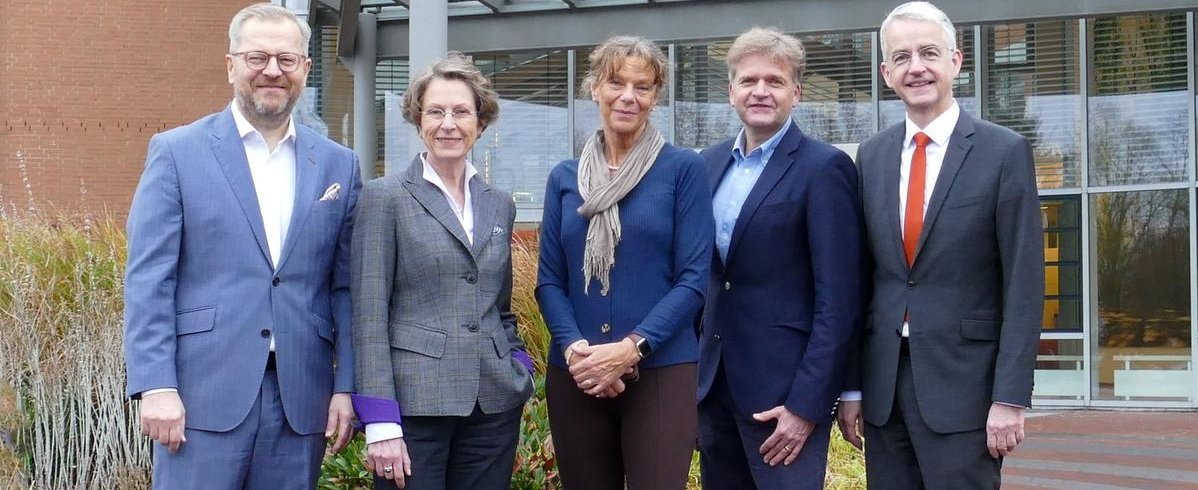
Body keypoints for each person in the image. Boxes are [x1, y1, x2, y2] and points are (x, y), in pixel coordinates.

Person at [123, 3, 359, 488]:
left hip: (300, 400)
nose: (272, 71)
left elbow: (346, 290)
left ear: (305, 70)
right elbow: (149, 280)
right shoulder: (176, 152)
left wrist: (346, 385)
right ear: (231, 64)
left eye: (286, 60)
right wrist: (155, 384)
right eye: (257, 58)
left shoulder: (340, 165)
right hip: (199, 396)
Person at [836, 2, 1044, 488]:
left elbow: (1024, 282)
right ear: (887, 73)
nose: (917, 67)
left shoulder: (1004, 152)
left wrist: (1011, 397)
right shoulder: (872, 156)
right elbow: (859, 281)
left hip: (967, 391)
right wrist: (851, 388)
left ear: (956, 60)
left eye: (929, 52)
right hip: (884, 392)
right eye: (902, 57)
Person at [536, 35, 714, 490]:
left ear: (656, 97)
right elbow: (550, 282)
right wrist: (579, 353)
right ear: (594, 87)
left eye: (643, 86)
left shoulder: (683, 170)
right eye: (616, 82)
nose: (628, 97)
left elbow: (693, 280)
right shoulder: (564, 178)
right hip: (576, 374)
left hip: (661, 372)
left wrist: (630, 349)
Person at [350, 53, 534, 490]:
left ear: (480, 122)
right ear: (418, 120)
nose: (447, 123)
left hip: (492, 405)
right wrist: (380, 421)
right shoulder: (385, 198)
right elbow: (369, 314)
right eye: (435, 111)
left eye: (460, 112)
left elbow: (500, 306)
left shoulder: (499, 203)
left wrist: (518, 362)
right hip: (415, 408)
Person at [695, 27, 865, 489]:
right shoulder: (706, 165)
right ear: (731, 91)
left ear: (797, 92)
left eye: (774, 81)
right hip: (713, 391)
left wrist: (808, 405)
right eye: (749, 80)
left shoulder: (824, 168)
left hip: (785, 399)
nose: (761, 91)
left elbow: (840, 298)